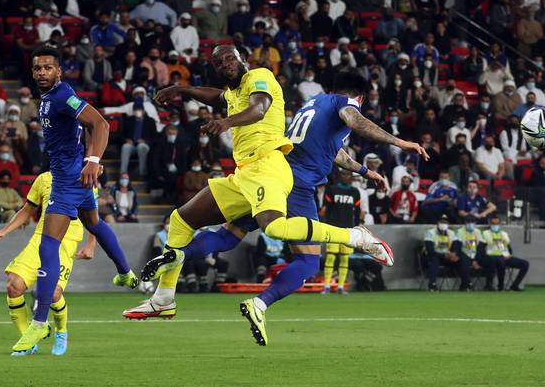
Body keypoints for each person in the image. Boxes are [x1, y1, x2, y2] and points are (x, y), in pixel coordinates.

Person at [124, 58, 426, 345]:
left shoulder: (314, 104)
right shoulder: (342, 104)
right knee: (307, 262)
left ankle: (179, 257)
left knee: (228, 236)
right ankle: (266, 299)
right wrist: (401, 142)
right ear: (359, 96)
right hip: (296, 185)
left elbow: (333, 152)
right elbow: (354, 120)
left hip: (266, 177)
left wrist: (363, 171)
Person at [11, 46, 138, 355]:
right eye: (37, 67)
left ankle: (40, 322)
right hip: (75, 177)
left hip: (68, 181)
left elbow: (101, 124)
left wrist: (93, 159)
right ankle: (125, 272)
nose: (42, 72)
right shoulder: (47, 99)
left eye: (48, 67)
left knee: (48, 245)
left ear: (59, 72)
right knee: (93, 222)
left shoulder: (62, 96)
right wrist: (87, 162)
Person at [0, 171, 98, 356]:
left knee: (52, 292)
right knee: (13, 285)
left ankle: (61, 331)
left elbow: (93, 217)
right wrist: (5, 230)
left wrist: (90, 245)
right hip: (41, 238)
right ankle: (28, 340)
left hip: (66, 242)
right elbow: (27, 210)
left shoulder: (85, 178)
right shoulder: (43, 179)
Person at [321, 169, 361, 295]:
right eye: (343, 174)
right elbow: (326, 209)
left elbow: (358, 212)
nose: (345, 176)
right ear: (340, 176)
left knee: (345, 258)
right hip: (333, 228)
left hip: (348, 229)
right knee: (331, 256)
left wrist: (357, 228)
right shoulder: (331, 190)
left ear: (351, 177)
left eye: (348, 174)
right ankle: (326, 286)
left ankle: (340, 287)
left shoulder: (355, 192)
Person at [478, 215, 529, 291]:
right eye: (493, 223)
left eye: (497, 223)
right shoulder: (486, 233)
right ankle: (497, 286)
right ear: (490, 224)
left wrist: (509, 255)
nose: (495, 225)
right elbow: (481, 248)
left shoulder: (504, 234)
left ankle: (514, 285)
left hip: (505, 256)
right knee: (498, 261)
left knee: (525, 264)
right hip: (492, 257)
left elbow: (508, 247)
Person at [423, 215, 464, 291]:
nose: (443, 224)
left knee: (462, 259)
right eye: (442, 222)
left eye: (445, 222)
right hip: (434, 256)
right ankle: (432, 284)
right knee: (434, 260)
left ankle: (465, 284)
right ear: (438, 223)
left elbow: (456, 245)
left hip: (448, 257)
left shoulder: (451, 233)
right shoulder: (430, 233)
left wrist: (454, 254)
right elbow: (430, 250)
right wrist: (445, 255)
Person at [453, 215, 483, 291]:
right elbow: (457, 247)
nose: (470, 224)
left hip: (475, 255)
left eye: (472, 222)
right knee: (463, 262)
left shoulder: (478, 232)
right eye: (468, 222)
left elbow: (480, 247)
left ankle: (489, 285)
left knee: (490, 261)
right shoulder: (459, 231)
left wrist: (475, 260)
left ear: (475, 223)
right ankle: (468, 283)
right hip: (464, 254)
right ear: (465, 223)